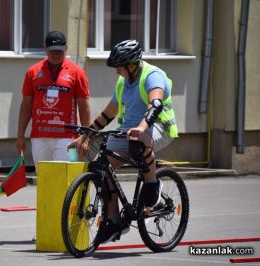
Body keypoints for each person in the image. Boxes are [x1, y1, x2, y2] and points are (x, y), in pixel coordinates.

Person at [68, 40, 178, 243]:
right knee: (102, 167)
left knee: (139, 141)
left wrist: (142, 128)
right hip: (128, 132)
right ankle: (114, 220)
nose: (117, 72)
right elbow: (108, 113)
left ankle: (152, 185)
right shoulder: (122, 82)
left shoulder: (153, 76)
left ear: (132, 65)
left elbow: (155, 103)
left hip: (158, 128)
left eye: (119, 68)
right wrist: (85, 135)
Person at [16, 31, 91, 170]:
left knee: (66, 180)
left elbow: (84, 106)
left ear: (66, 48)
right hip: (39, 136)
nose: (56, 54)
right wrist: (20, 135)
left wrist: (85, 136)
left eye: (60, 51)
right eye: (52, 51)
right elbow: (26, 105)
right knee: (44, 180)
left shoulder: (77, 73)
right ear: (45, 48)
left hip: (68, 137)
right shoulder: (32, 72)